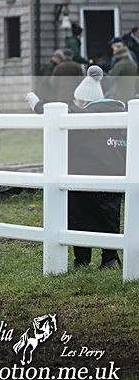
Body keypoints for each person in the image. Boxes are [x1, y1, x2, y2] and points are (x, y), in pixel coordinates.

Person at [26, 66, 125, 269]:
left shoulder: (85, 116)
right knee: (109, 217)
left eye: (77, 102)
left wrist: (37, 104)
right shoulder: (121, 115)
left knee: (79, 217)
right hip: (116, 177)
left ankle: (82, 260)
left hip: (83, 175)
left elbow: (62, 114)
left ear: (84, 102)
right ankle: (110, 258)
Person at [106, 38, 138, 104]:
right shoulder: (130, 60)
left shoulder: (122, 61)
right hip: (130, 90)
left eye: (113, 46)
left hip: (122, 90)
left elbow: (112, 75)